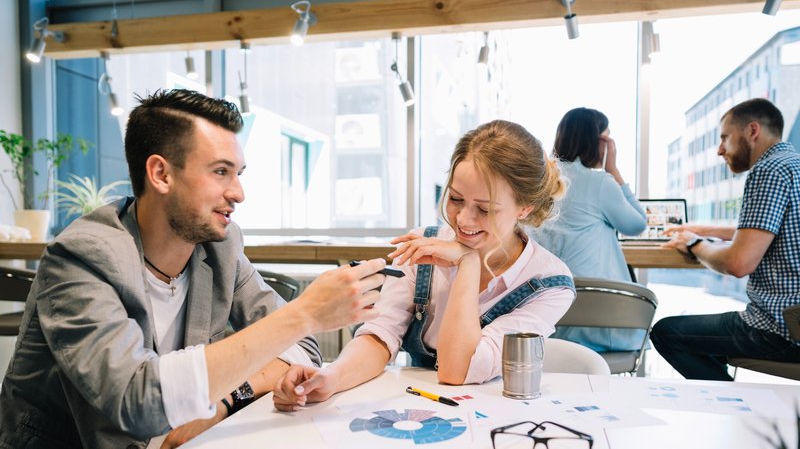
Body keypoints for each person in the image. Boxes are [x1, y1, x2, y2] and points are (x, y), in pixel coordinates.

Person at [0, 89, 388, 448]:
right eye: (221, 172)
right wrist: (304, 314)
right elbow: (137, 404)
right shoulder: (81, 259)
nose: (238, 193)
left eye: (238, 173)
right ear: (161, 174)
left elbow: (302, 350)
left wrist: (223, 401)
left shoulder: (221, 246)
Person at [272, 119, 575, 411]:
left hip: (498, 417)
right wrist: (333, 377)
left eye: (484, 209)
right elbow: (380, 335)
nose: (463, 220)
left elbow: (457, 370)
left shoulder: (548, 283)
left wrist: (467, 264)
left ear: (525, 207)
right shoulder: (422, 245)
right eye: (456, 199)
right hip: (422, 409)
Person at [652, 98, 800, 381]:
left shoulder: (768, 170)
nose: (720, 150)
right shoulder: (793, 165)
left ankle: (735, 410)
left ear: (752, 131)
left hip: (781, 328)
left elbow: (738, 263)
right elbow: (763, 231)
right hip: (795, 321)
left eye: (724, 138)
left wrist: (695, 245)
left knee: (667, 333)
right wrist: (700, 229)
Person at [529, 107, 646, 352]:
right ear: (599, 143)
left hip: (549, 318)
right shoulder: (600, 182)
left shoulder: (541, 182)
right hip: (601, 322)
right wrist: (613, 169)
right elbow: (637, 224)